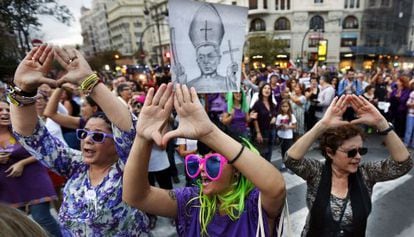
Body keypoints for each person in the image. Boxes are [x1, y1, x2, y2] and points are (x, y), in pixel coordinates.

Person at [10, 44, 149, 236]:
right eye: (84, 134)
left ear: (117, 144)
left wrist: (88, 81)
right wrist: (23, 90)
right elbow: (33, 138)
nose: (88, 140)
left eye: (98, 136)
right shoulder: (76, 165)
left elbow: (129, 130)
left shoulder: (127, 170)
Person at [123, 83, 286, 236]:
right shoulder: (192, 202)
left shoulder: (254, 205)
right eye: (197, 162)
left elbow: (276, 187)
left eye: (213, 162)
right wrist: (142, 138)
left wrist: (209, 134)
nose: (201, 169)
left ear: (237, 170)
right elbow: (136, 197)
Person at [284, 94, 413, 236]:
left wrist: (381, 123)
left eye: (361, 151)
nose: (358, 157)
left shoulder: (366, 174)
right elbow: (291, 159)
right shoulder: (316, 171)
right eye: (351, 152)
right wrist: (322, 125)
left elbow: (403, 164)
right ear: (330, 152)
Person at [0, 99, 61, 237]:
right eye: (0, 110)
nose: (4, 113)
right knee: (14, 223)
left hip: (33, 178)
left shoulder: (21, 130)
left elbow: (43, 150)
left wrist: (22, 163)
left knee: (41, 217)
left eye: (8, 110)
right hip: (8, 186)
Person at [175, 3, 238, 92]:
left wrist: (231, 80)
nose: (205, 61)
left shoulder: (228, 84)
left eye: (210, 56)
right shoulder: (189, 86)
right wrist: (180, 83)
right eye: (201, 57)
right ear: (197, 60)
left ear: (219, 58)